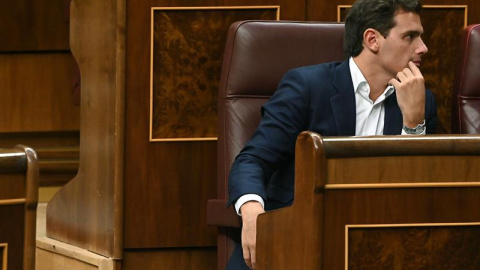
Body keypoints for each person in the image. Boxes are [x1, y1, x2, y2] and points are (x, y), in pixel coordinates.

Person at [225, 0, 437, 269]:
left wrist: (414, 125)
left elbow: (420, 195)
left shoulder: (421, 102)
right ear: (372, 39)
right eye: (410, 36)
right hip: (299, 235)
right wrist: (253, 213)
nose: (423, 48)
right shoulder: (308, 87)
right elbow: (252, 160)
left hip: (379, 245)